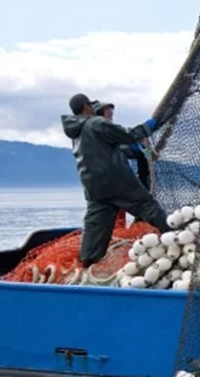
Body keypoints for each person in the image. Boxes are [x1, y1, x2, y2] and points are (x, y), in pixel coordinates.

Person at [62, 93, 171, 268]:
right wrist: (149, 126)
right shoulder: (96, 123)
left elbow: (115, 149)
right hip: (117, 182)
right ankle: (174, 234)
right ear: (86, 106)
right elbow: (129, 135)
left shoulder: (75, 133)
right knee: (147, 206)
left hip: (93, 188)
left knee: (95, 226)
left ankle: (88, 263)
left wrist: (138, 151)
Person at [93, 101, 151, 226]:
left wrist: (141, 147)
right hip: (106, 183)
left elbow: (131, 150)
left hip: (116, 182)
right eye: (107, 112)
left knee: (118, 213)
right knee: (110, 212)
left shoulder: (108, 131)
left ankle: (118, 229)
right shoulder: (98, 132)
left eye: (111, 113)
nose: (110, 115)